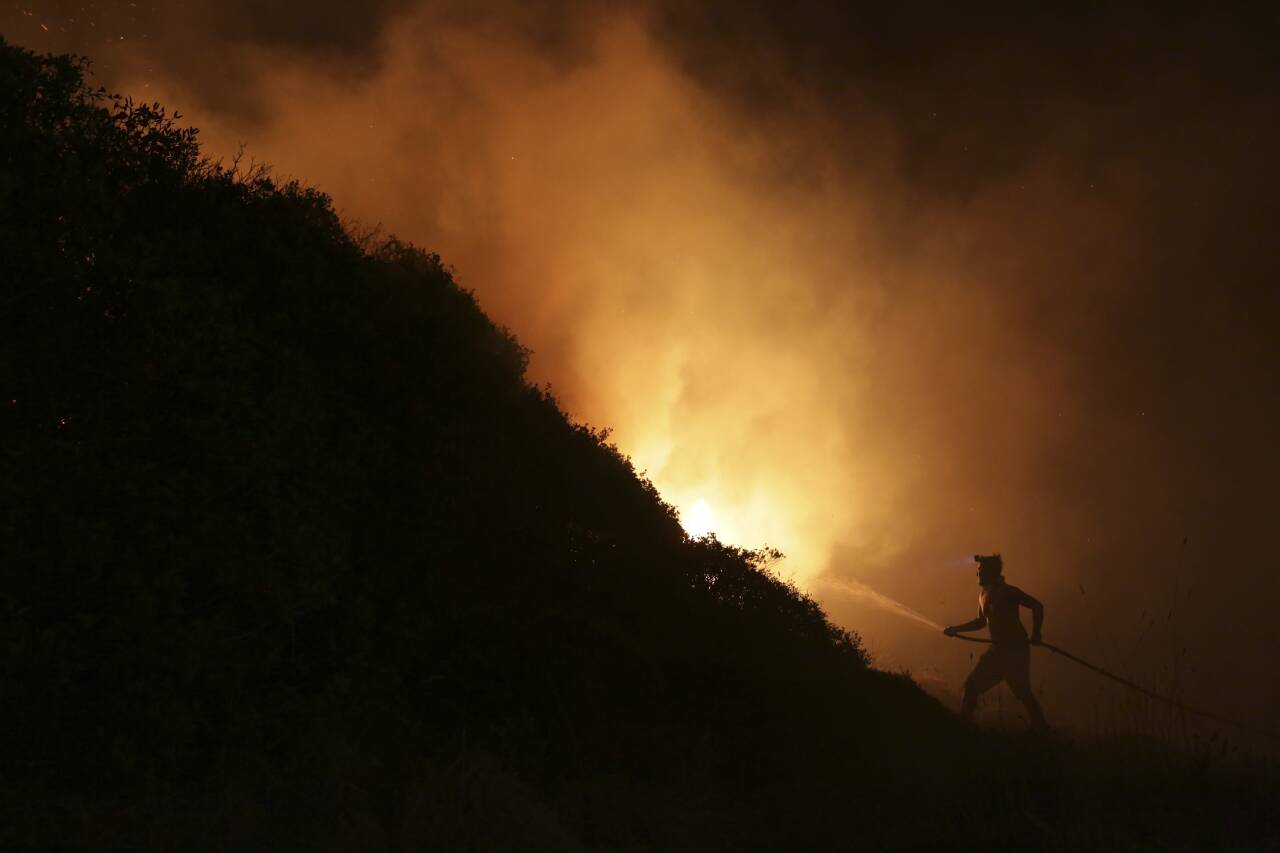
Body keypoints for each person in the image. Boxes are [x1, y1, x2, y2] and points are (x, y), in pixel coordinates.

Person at [943, 554, 1049, 730]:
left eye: (981, 571)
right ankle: (964, 727)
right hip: (997, 650)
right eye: (978, 571)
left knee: (1023, 694)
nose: (977, 575)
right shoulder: (982, 594)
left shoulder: (1009, 592)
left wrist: (1036, 632)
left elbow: (1037, 606)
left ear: (992, 572)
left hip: (1015, 651)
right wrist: (956, 629)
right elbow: (981, 622)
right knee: (971, 687)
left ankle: (1043, 730)